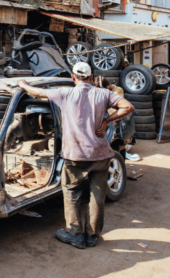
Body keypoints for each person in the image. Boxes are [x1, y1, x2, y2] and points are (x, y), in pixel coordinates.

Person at [17, 62, 134, 249]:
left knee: (71, 194)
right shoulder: (104, 93)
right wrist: (106, 121)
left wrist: (23, 85)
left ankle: (75, 234)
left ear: (73, 78)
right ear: (91, 77)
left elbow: (37, 93)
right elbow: (128, 107)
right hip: (100, 155)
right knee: (97, 197)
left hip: (75, 156)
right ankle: (93, 236)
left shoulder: (65, 93)